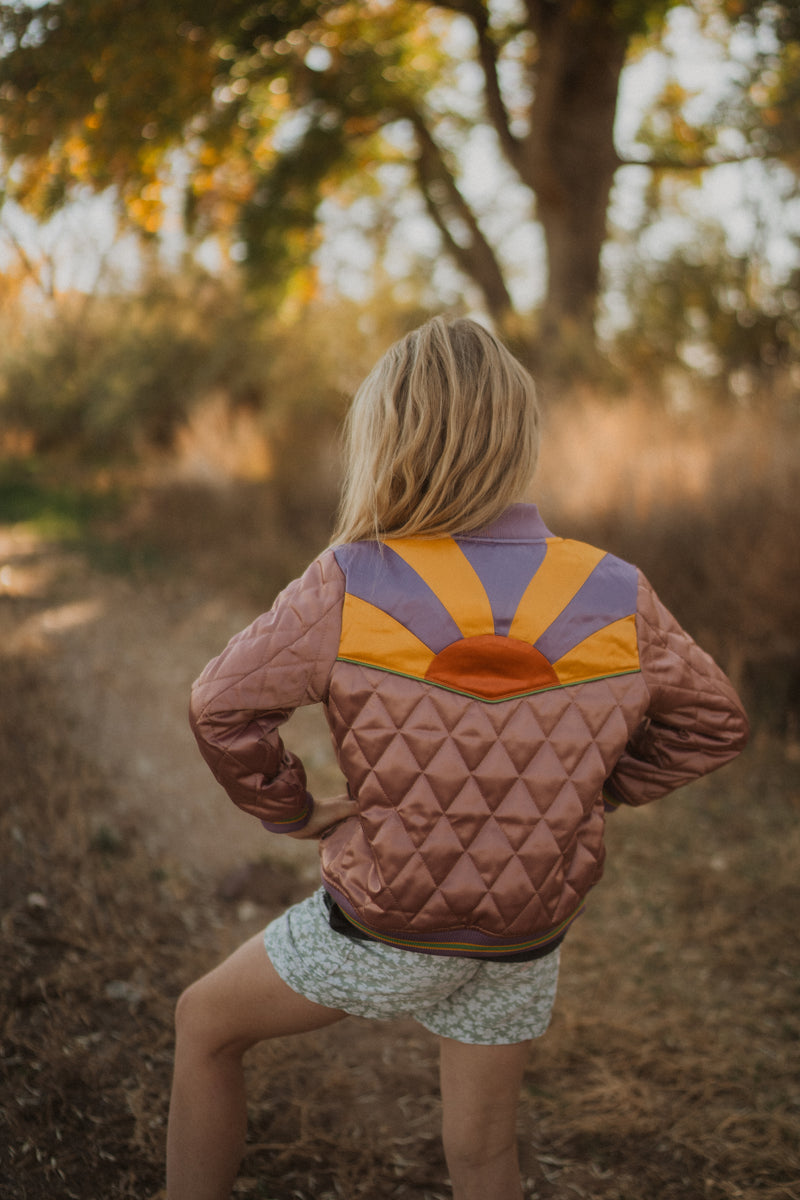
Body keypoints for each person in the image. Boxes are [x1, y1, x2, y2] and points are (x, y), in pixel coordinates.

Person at [166, 316, 749, 1200]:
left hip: (389, 919)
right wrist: (599, 790)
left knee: (204, 1023)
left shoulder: (354, 578)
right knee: (481, 1156)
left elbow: (221, 703)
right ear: (518, 438)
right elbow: (715, 722)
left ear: (386, 438)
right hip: (528, 928)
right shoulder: (613, 588)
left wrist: (289, 808)